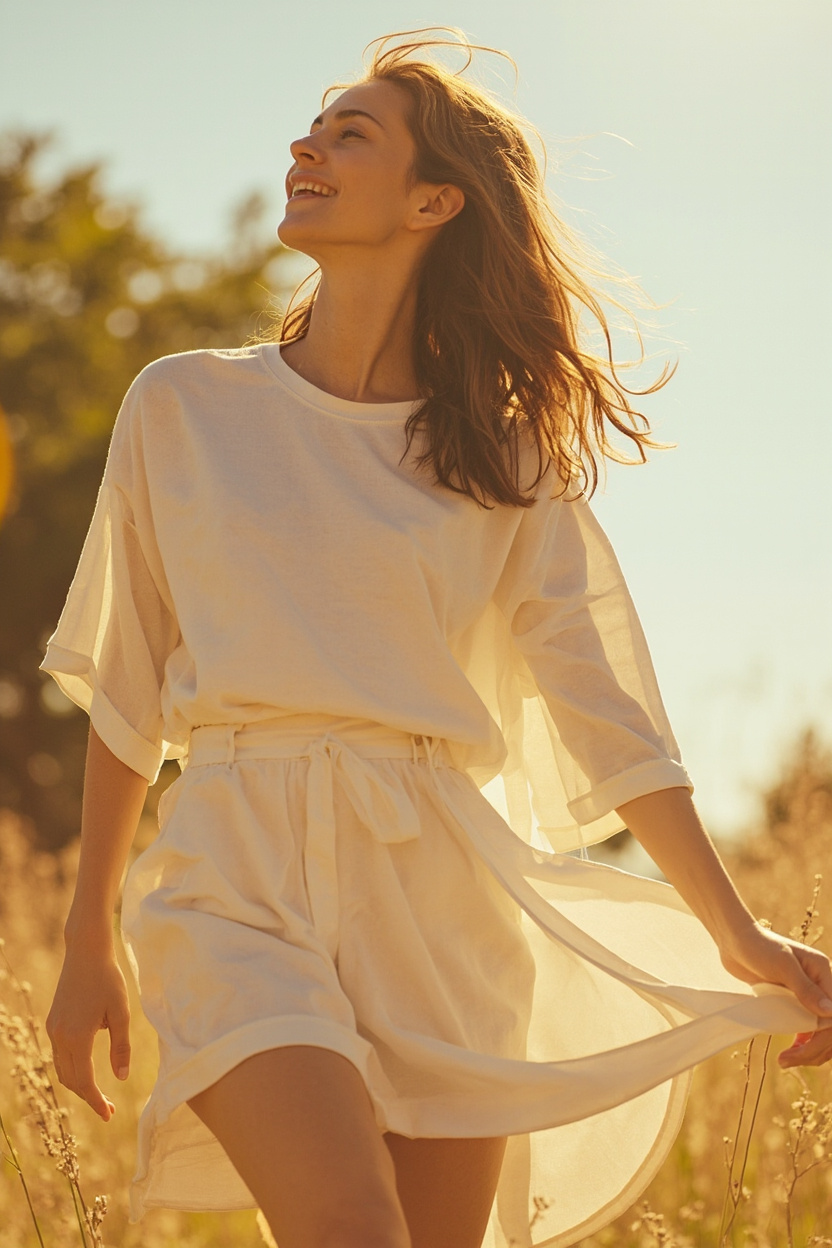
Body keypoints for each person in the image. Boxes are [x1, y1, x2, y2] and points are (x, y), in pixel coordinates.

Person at [40, 28, 832, 1248]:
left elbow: (608, 717)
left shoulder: (505, 457)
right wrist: (88, 933)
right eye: (313, 122)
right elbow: (132, 683)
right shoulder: (186, 405)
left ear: (434, 200)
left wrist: (736, 934)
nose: (305, 144)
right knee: (351, 1222)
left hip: (445, 899)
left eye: (348, 131)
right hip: (236, 873)